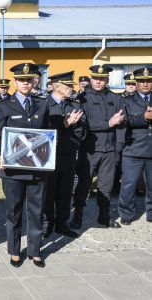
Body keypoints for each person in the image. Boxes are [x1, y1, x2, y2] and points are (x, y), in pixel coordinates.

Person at [0, 63, 49, 268]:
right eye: (21, 80)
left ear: (34, 81)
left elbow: (48, 135)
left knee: (36, 211)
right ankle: (15, 250)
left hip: (36, 169)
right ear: (15, 81)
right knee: (13, 211)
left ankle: (35, 250)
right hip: (13, 169)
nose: (26, 83)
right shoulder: (3, 105)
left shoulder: (43, 104)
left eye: (29, 79)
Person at [72, 65, 125, 229]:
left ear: (107, 80)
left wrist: (119, 147)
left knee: (106, 185)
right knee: (83, 183)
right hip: (89, 149)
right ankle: (78, 215)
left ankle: (104, 215)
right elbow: (84, 123)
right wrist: (108, 123)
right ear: (91, 78)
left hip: (109, 149)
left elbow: (123, 124)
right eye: (95, 78)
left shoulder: (117, 99)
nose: (98, 81)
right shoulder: (82, 98)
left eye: (102, 79)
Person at [43, 71, 86, 239]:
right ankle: (47, 224)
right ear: (57, 87)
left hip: (68, 154)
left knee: (65, 191)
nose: (71, 89)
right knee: (48, 191)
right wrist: (65, 124)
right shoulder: (44, 104)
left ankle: (62, 224)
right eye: (68, 86)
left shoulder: (74, 105)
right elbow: (43, 130)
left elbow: (82, 131)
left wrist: (73, 125)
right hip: (49, 154)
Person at [118, 67, 152, 225]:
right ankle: (126, 213)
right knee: (128, 184)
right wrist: (143, 117)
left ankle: (150, 212)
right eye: (141, 81)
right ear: (136, 83)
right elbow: (124, 121)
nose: (145, 84)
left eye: (148, 81)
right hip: (133, 149)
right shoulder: (127, 100)